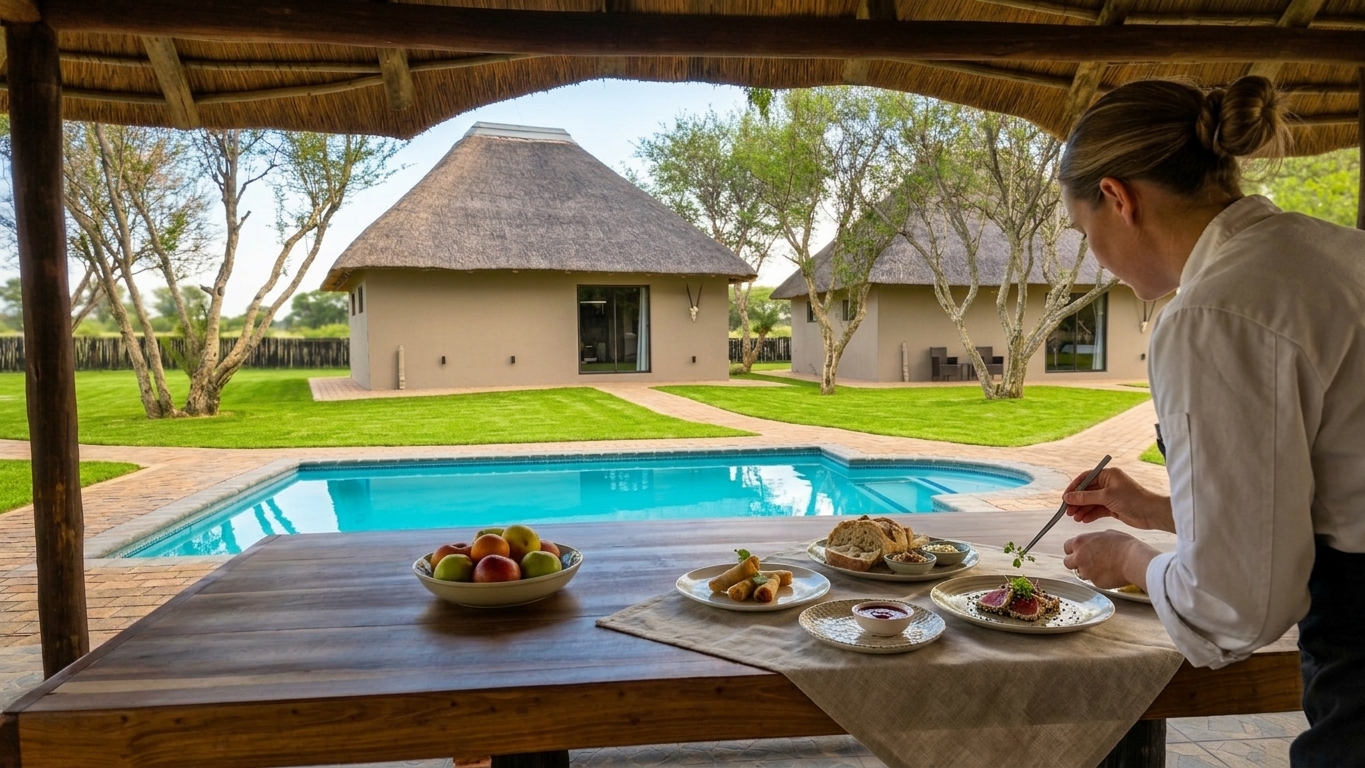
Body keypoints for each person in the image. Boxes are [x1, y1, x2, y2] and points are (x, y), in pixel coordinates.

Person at [1056, 76, 1365, 767]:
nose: (1096, 258)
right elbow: (1332, 488)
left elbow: (1235, 608)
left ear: (1117, 198)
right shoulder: (1336, 255)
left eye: (1085, 233)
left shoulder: (1211, 314)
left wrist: (1127, 559)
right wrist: (1161, 511)